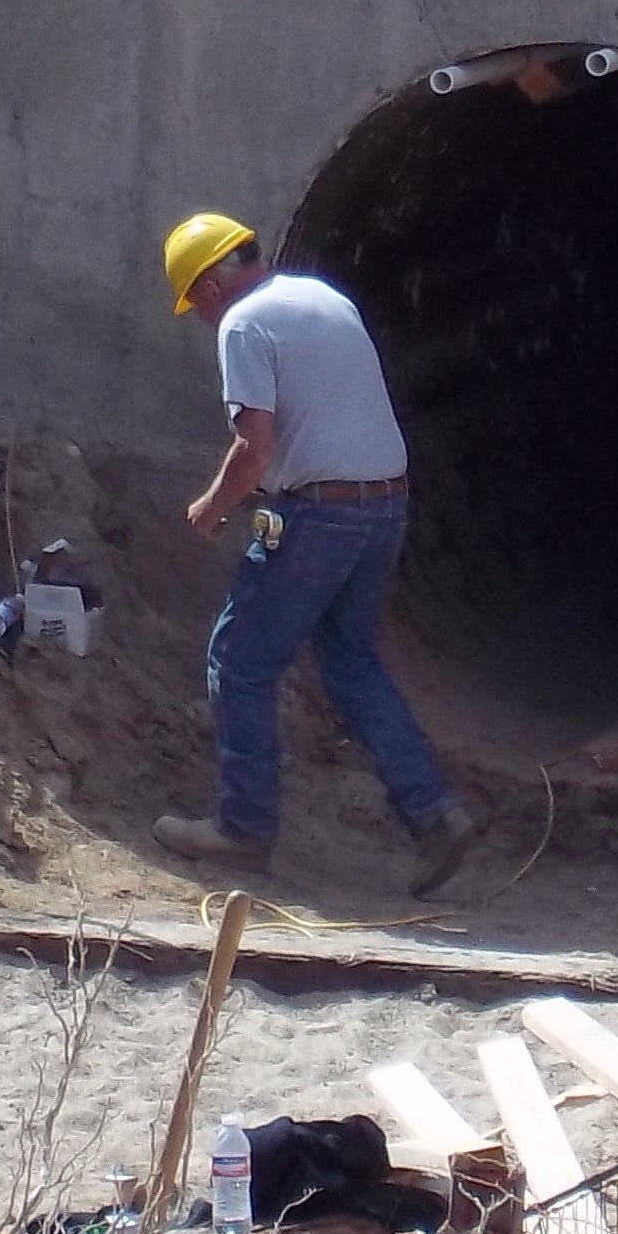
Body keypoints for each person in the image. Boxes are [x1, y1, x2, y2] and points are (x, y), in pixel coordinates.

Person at [153, 210, 478, 892]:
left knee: (238, 661)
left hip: (319, 513)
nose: (202, 319)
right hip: (385, 505)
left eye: (196, 305)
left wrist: (213, 506)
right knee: (350, 659)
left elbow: (254, 449)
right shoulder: (323, 297)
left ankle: (243, 829)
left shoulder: (244, 325)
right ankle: (433, 814)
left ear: (211, 286)